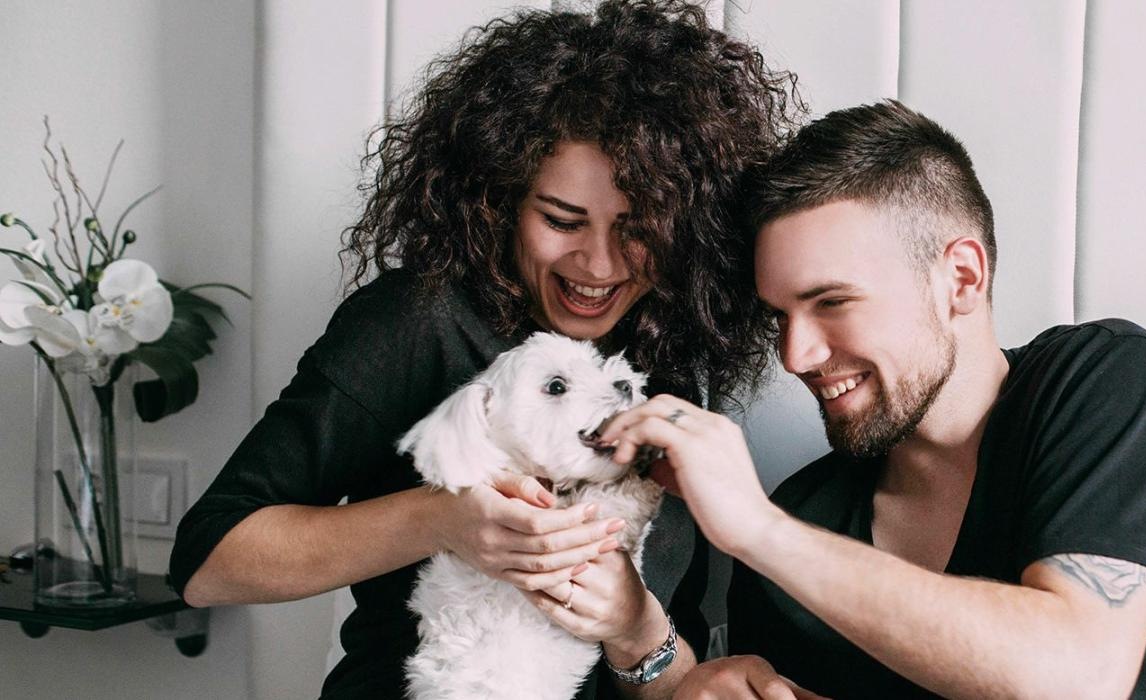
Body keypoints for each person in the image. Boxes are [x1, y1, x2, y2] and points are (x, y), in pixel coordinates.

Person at [586, 101, 1146, 698]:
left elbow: (1078, 675)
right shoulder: (807, 522)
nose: (794, 355)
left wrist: (758, 530)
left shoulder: (1102, 382)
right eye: (781, 315)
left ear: (961, 280)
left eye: (832, 302)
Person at [166, 3, 799, 698]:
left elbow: (667, 652)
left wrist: (643, 633)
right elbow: (209, 563)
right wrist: (443, 520)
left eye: (639, 229)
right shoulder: (420, 321)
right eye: (561, 220)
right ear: (499, 199)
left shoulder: (675, 348)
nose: (598, 263)